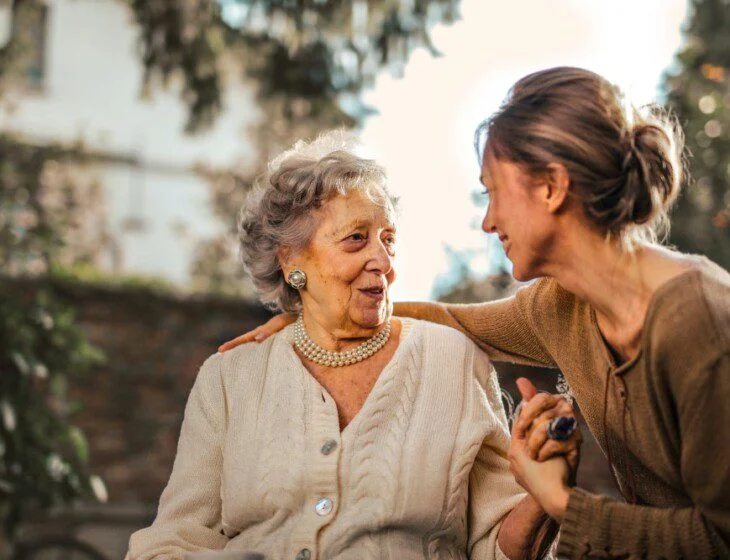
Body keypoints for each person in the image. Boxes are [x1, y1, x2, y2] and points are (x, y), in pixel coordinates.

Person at [220, 67, 730, 558]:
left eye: (493, 192)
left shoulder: (699, 322)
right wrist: (318, 311)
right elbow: (454, 320)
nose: (488, 222)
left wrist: (560, 503)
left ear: (551, 187)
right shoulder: (562, 307)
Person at [127, 132, 577, 559]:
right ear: (291, 260)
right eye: (356, 239)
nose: (382, 262)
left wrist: (542, 497)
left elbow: (499, 547)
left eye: (389, 241)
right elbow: (176, 538)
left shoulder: (454, 361)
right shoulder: (229, 378)